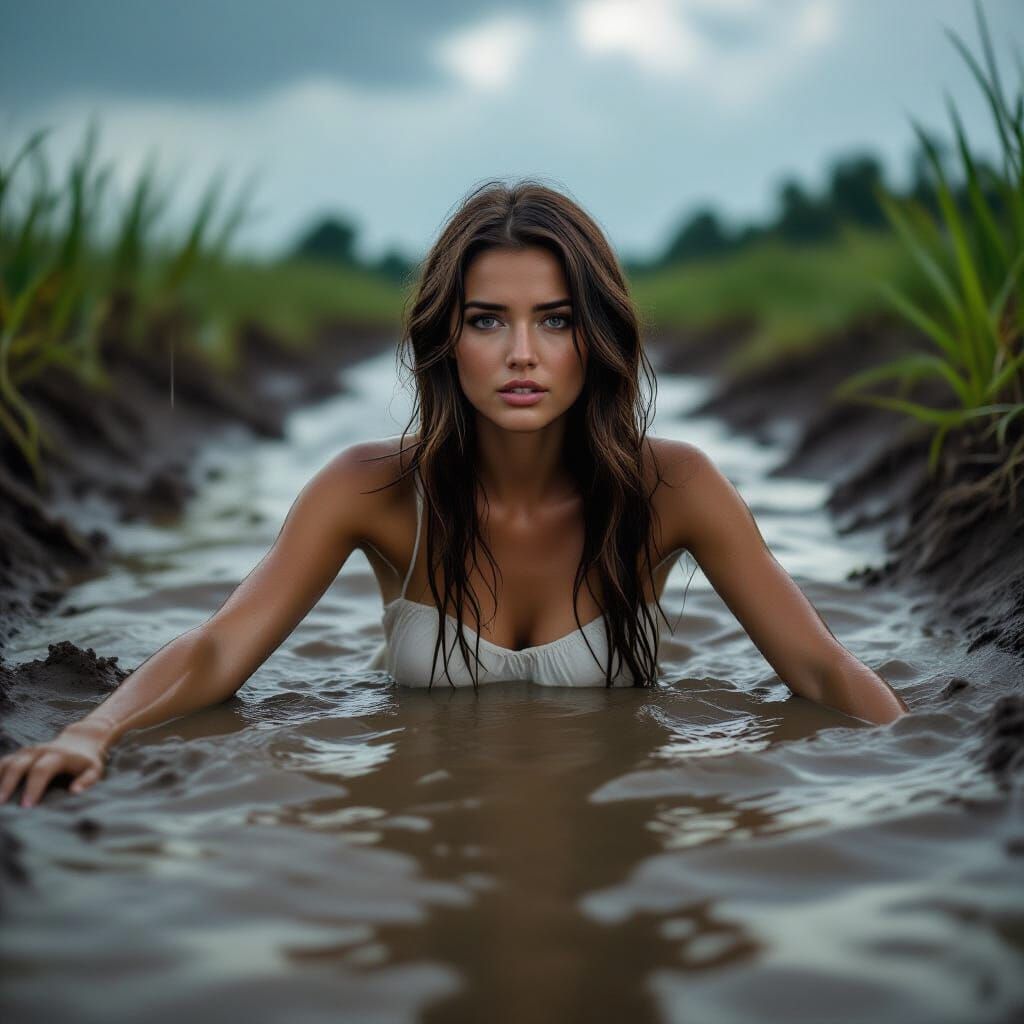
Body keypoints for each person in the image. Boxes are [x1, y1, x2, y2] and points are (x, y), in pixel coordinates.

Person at [0, 180, 909, 809]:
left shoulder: (673, 488)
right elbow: (218, 649)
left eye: (554, 320)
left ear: (593, 338)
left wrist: (928, 778)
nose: (522, 354)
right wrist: (94, 732)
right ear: (447, 339)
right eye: (488, 320)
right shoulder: (373, 489)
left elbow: (823, 671)